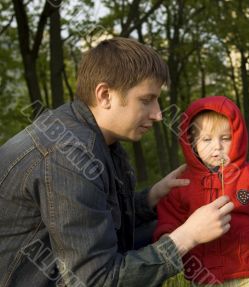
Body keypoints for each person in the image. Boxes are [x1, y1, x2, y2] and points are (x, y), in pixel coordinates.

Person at [0, 38, 234, 287]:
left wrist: (151, 198)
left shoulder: (96, 137)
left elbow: (95, 216)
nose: (158, 114)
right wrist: (186, 237)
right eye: (146, 100)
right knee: (178, 230)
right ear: (105, 95)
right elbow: (95, 280)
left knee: (165, 223)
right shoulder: (69, 155)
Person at [153, 96, 249, 286]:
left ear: (237, 138)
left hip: (248, 269)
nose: (217, 146)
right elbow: (170, 215)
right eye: (206, 139)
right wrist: (165, 239)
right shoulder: (184, 181)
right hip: (204, 271)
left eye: (226, 138)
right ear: (192, 143)